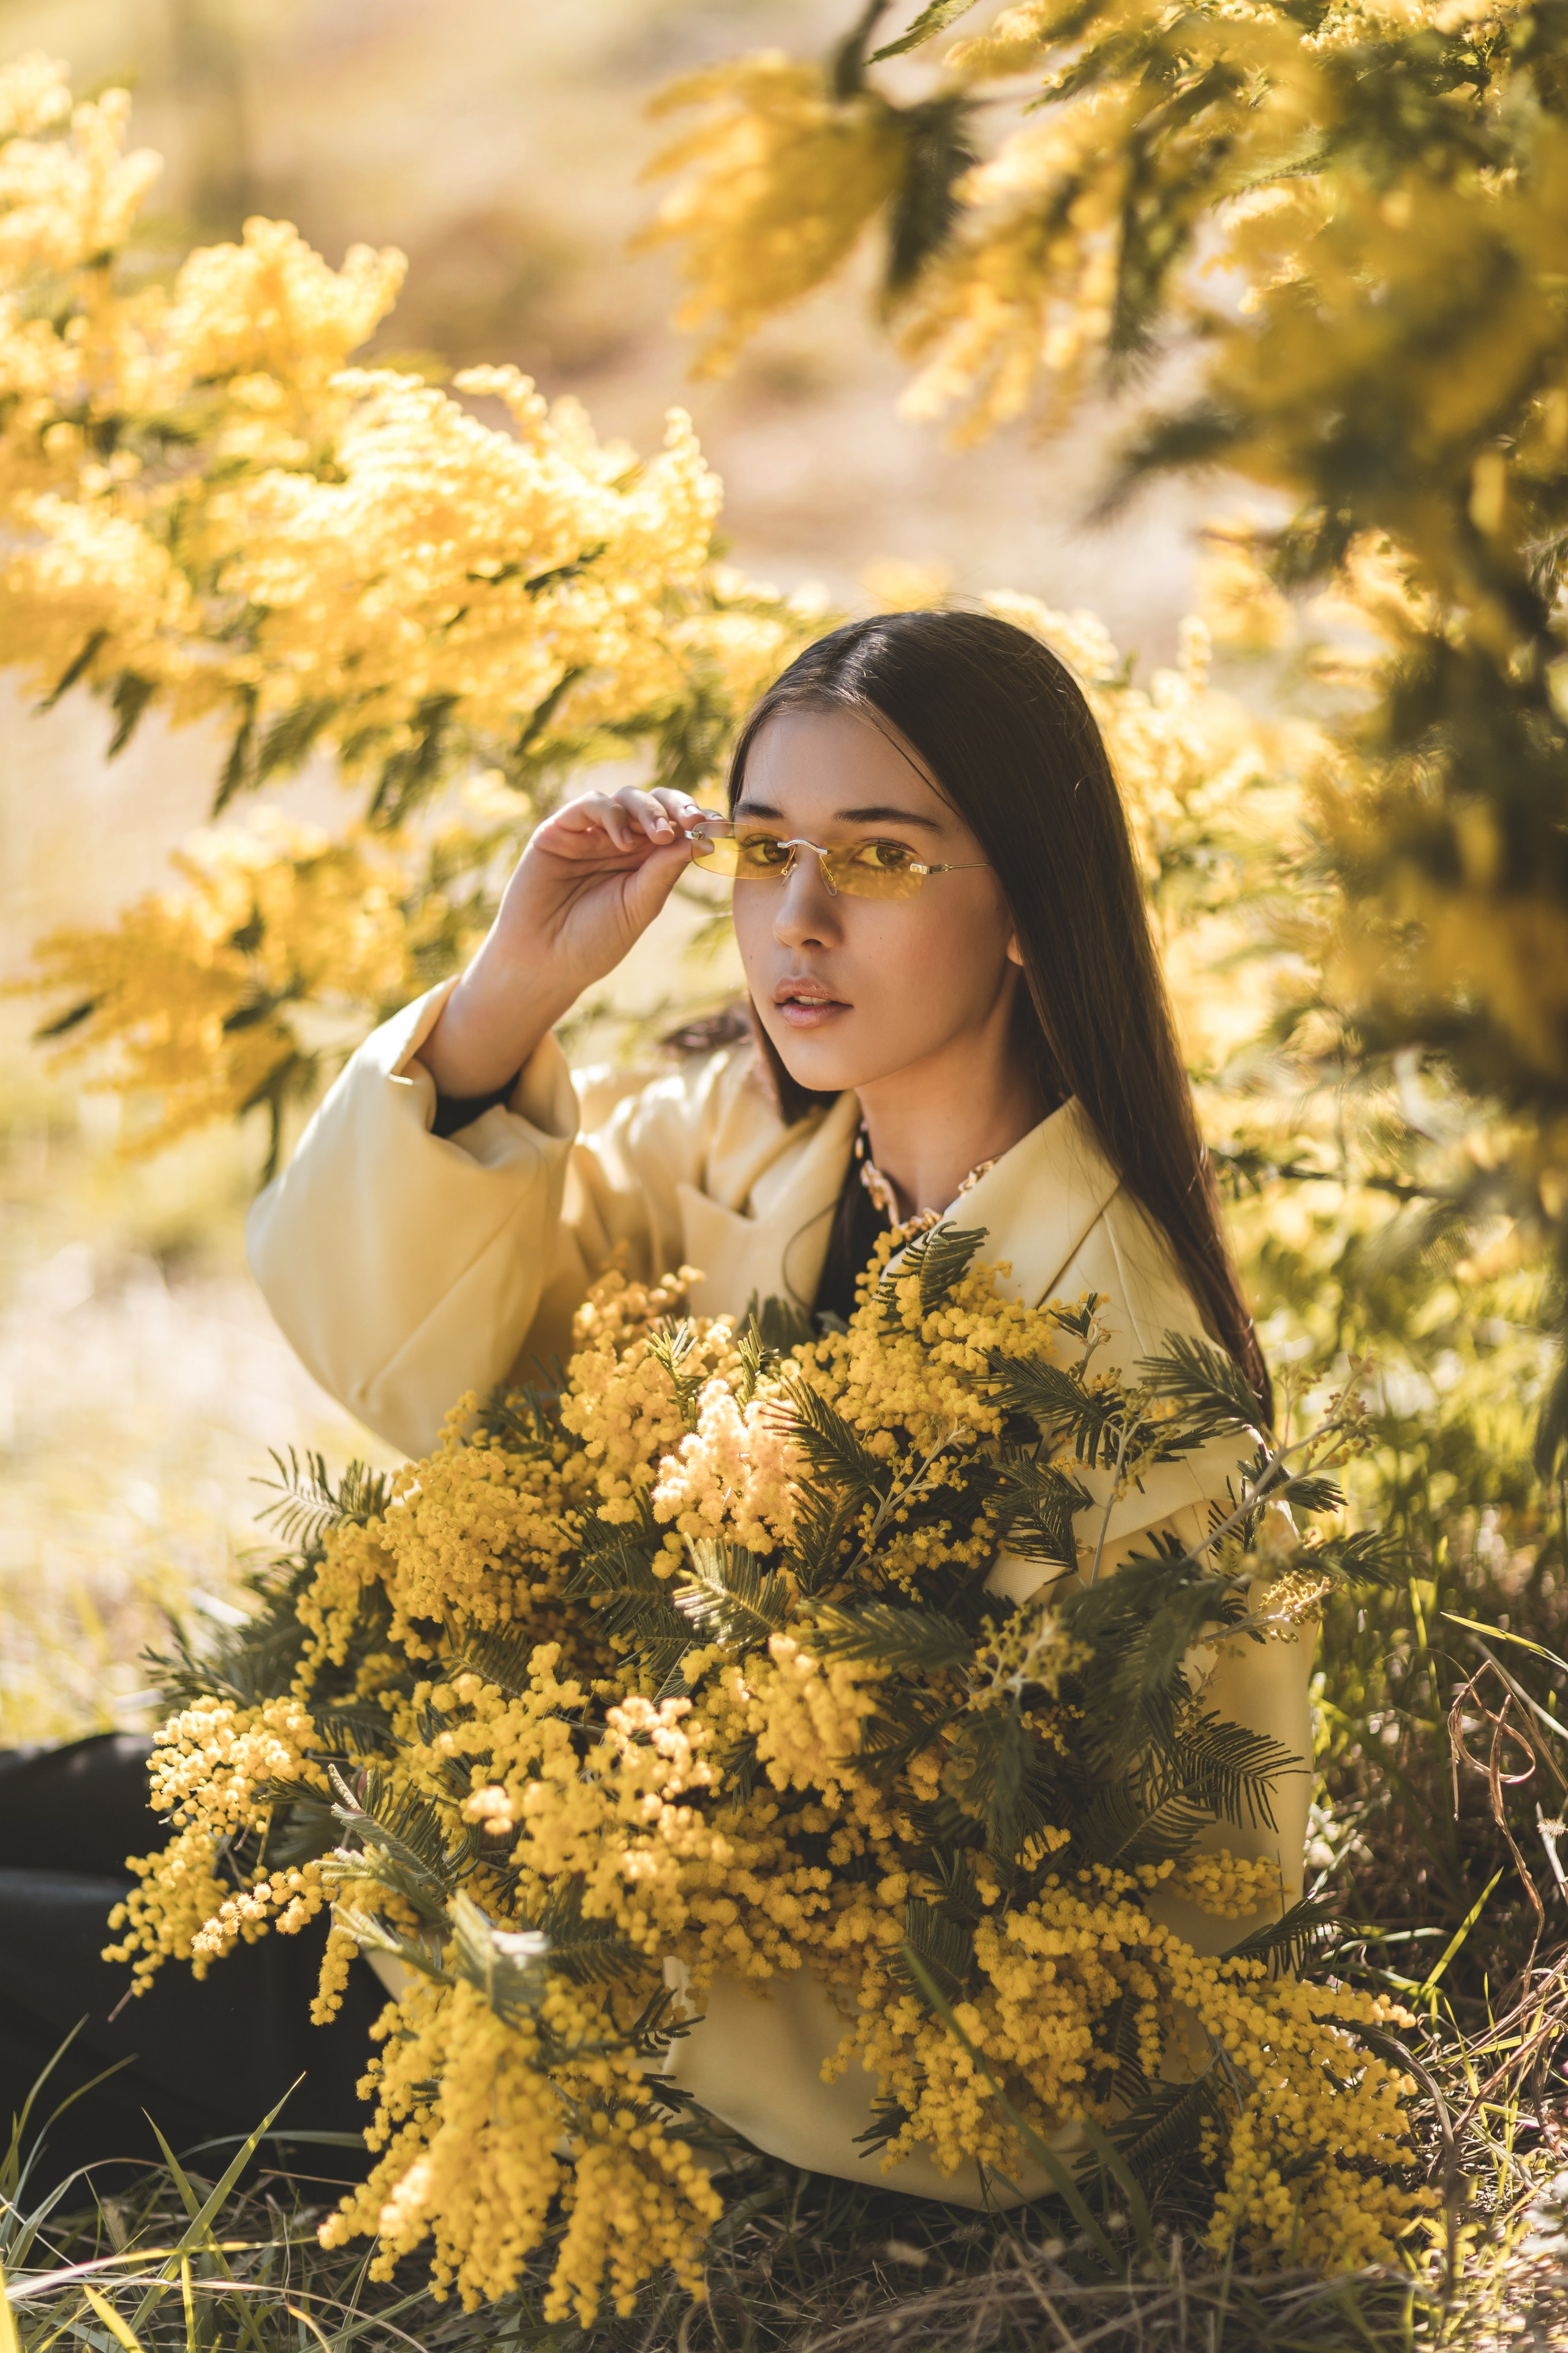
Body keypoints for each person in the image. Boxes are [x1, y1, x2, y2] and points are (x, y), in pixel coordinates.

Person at [243, 609, 1313, 2201]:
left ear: (1027, 899)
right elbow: (431, 1350)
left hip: (612, 2030)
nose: (800, 918)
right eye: (762, 850)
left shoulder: (1130, 1387)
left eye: (880, 858)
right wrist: (509, 993)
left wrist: (602, 1879)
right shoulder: (755, 1142)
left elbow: (1166, 1907)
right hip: (480, 1845)